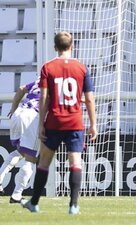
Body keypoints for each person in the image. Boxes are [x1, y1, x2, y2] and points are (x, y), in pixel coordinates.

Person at [22, 31, 97, 215]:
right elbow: (89, 99)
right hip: (75, 122)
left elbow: (45, 98)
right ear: (72, 46)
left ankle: (34, 202)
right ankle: (73, 205)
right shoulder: (81, 68)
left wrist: (41, 124)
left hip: (54, 122)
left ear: (55, 47)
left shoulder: (48, 67)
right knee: (76, 163)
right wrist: (93, 124)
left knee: (44, 162)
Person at [0, 77, 40, 203]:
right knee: (30, 157)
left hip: (19, 112)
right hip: (32, 116)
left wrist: (13, 108)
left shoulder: (39, 80)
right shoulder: (56, 84)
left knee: (19, 153)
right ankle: (16, 195)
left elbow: (21, 89)